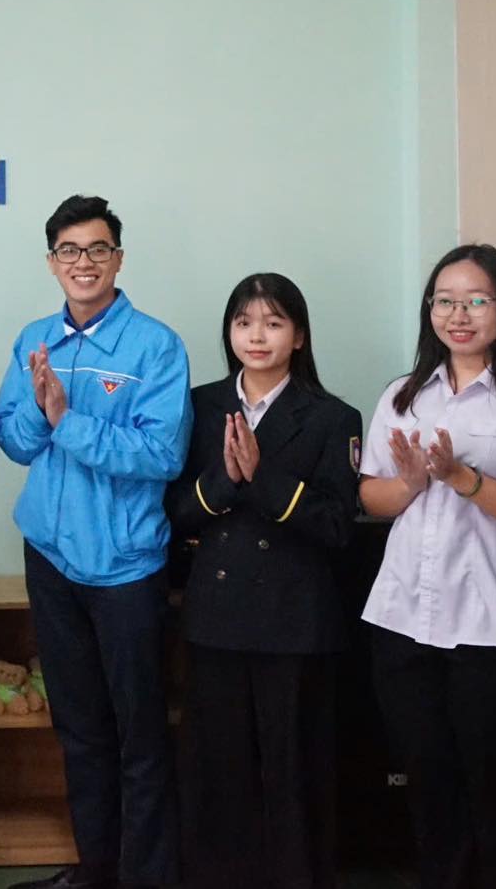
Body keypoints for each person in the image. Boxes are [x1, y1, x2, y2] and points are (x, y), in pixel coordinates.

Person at [0, 194, 191, 889]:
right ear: (52, 262)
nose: (84, 262)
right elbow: (14, 441)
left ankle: (146, 877)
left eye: (98, 249)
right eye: (70, 251)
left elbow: (162, 454)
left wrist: (66, 420)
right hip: (51, 560)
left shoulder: (155, 346)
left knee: (140, 734)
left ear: (118, 259)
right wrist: (40, 411)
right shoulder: (34, 340)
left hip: (126, 568)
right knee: (78, 730)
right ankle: (95, 871)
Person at [358, 243, 496, 889]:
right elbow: (372, 497)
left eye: (476, 300)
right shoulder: (402, 396)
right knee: (430, 790)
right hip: (404, 620)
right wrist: (413, 482)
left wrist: (461, 478)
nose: (459, 315)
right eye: (445, 301)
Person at [166, 273, 359, 889]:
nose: (257, 336)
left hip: (295, 620)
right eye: (244, 322)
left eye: (273, 323)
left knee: (293, 770)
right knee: (218, 769)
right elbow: (174, 512)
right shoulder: (199, 405)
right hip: (216, 614)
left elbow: (338, 524)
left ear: (298, 336)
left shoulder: (333, 416)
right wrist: (225, 482)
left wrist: (263, 478)